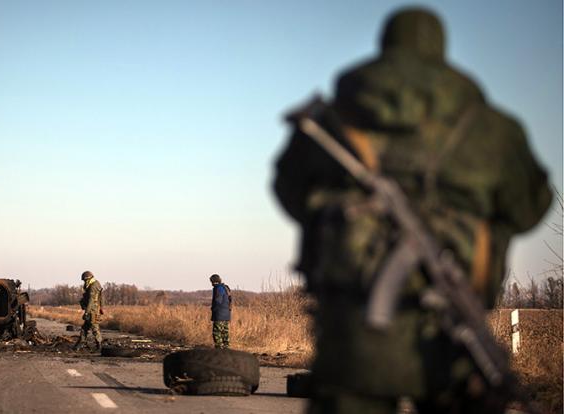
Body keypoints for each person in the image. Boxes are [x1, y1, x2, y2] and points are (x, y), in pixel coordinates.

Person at [273, 7, 552, 414]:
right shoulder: (492, 128)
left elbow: (288, 189)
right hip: (451, 345)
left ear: (385, 49)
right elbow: (530, 207)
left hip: (355, 336)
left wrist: (344, 223)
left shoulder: (337, 119)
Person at [73, 270, 104, 351]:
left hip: (92, 310)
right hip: (94, 309)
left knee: (94, 328)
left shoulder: (93, 286)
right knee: (85, 328)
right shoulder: (96, 284)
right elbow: (101, 297)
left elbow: (91, 300)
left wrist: (86, 312)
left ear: (87, 279)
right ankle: (81, 343)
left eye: (84, 280)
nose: (84, 282)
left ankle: (99, 345)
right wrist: (101, 307)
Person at [209, 274, 231, 349]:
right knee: (225, 332)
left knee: (217, 332)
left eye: (211, 281)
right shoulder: (225, 287)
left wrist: (213, 309)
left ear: (214, 281)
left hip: (219, 314)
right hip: (227, 314)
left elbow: (218, 301)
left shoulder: (218, 288)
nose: (211, 284)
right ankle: (226, 348)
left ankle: (219, 349)